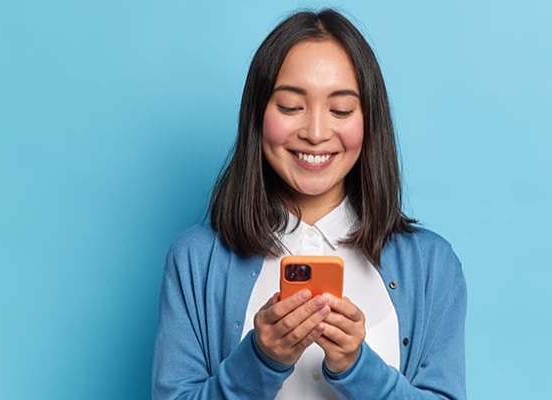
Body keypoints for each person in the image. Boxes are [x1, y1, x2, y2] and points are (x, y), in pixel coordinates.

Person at [152, 8, 466, 400]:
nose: (316, 133)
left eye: (340, 110)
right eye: (289, 107)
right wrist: (260, 359)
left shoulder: (431, 266)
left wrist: (357, 366)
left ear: (369, 121)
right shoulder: (196, 260)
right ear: (257, 115)